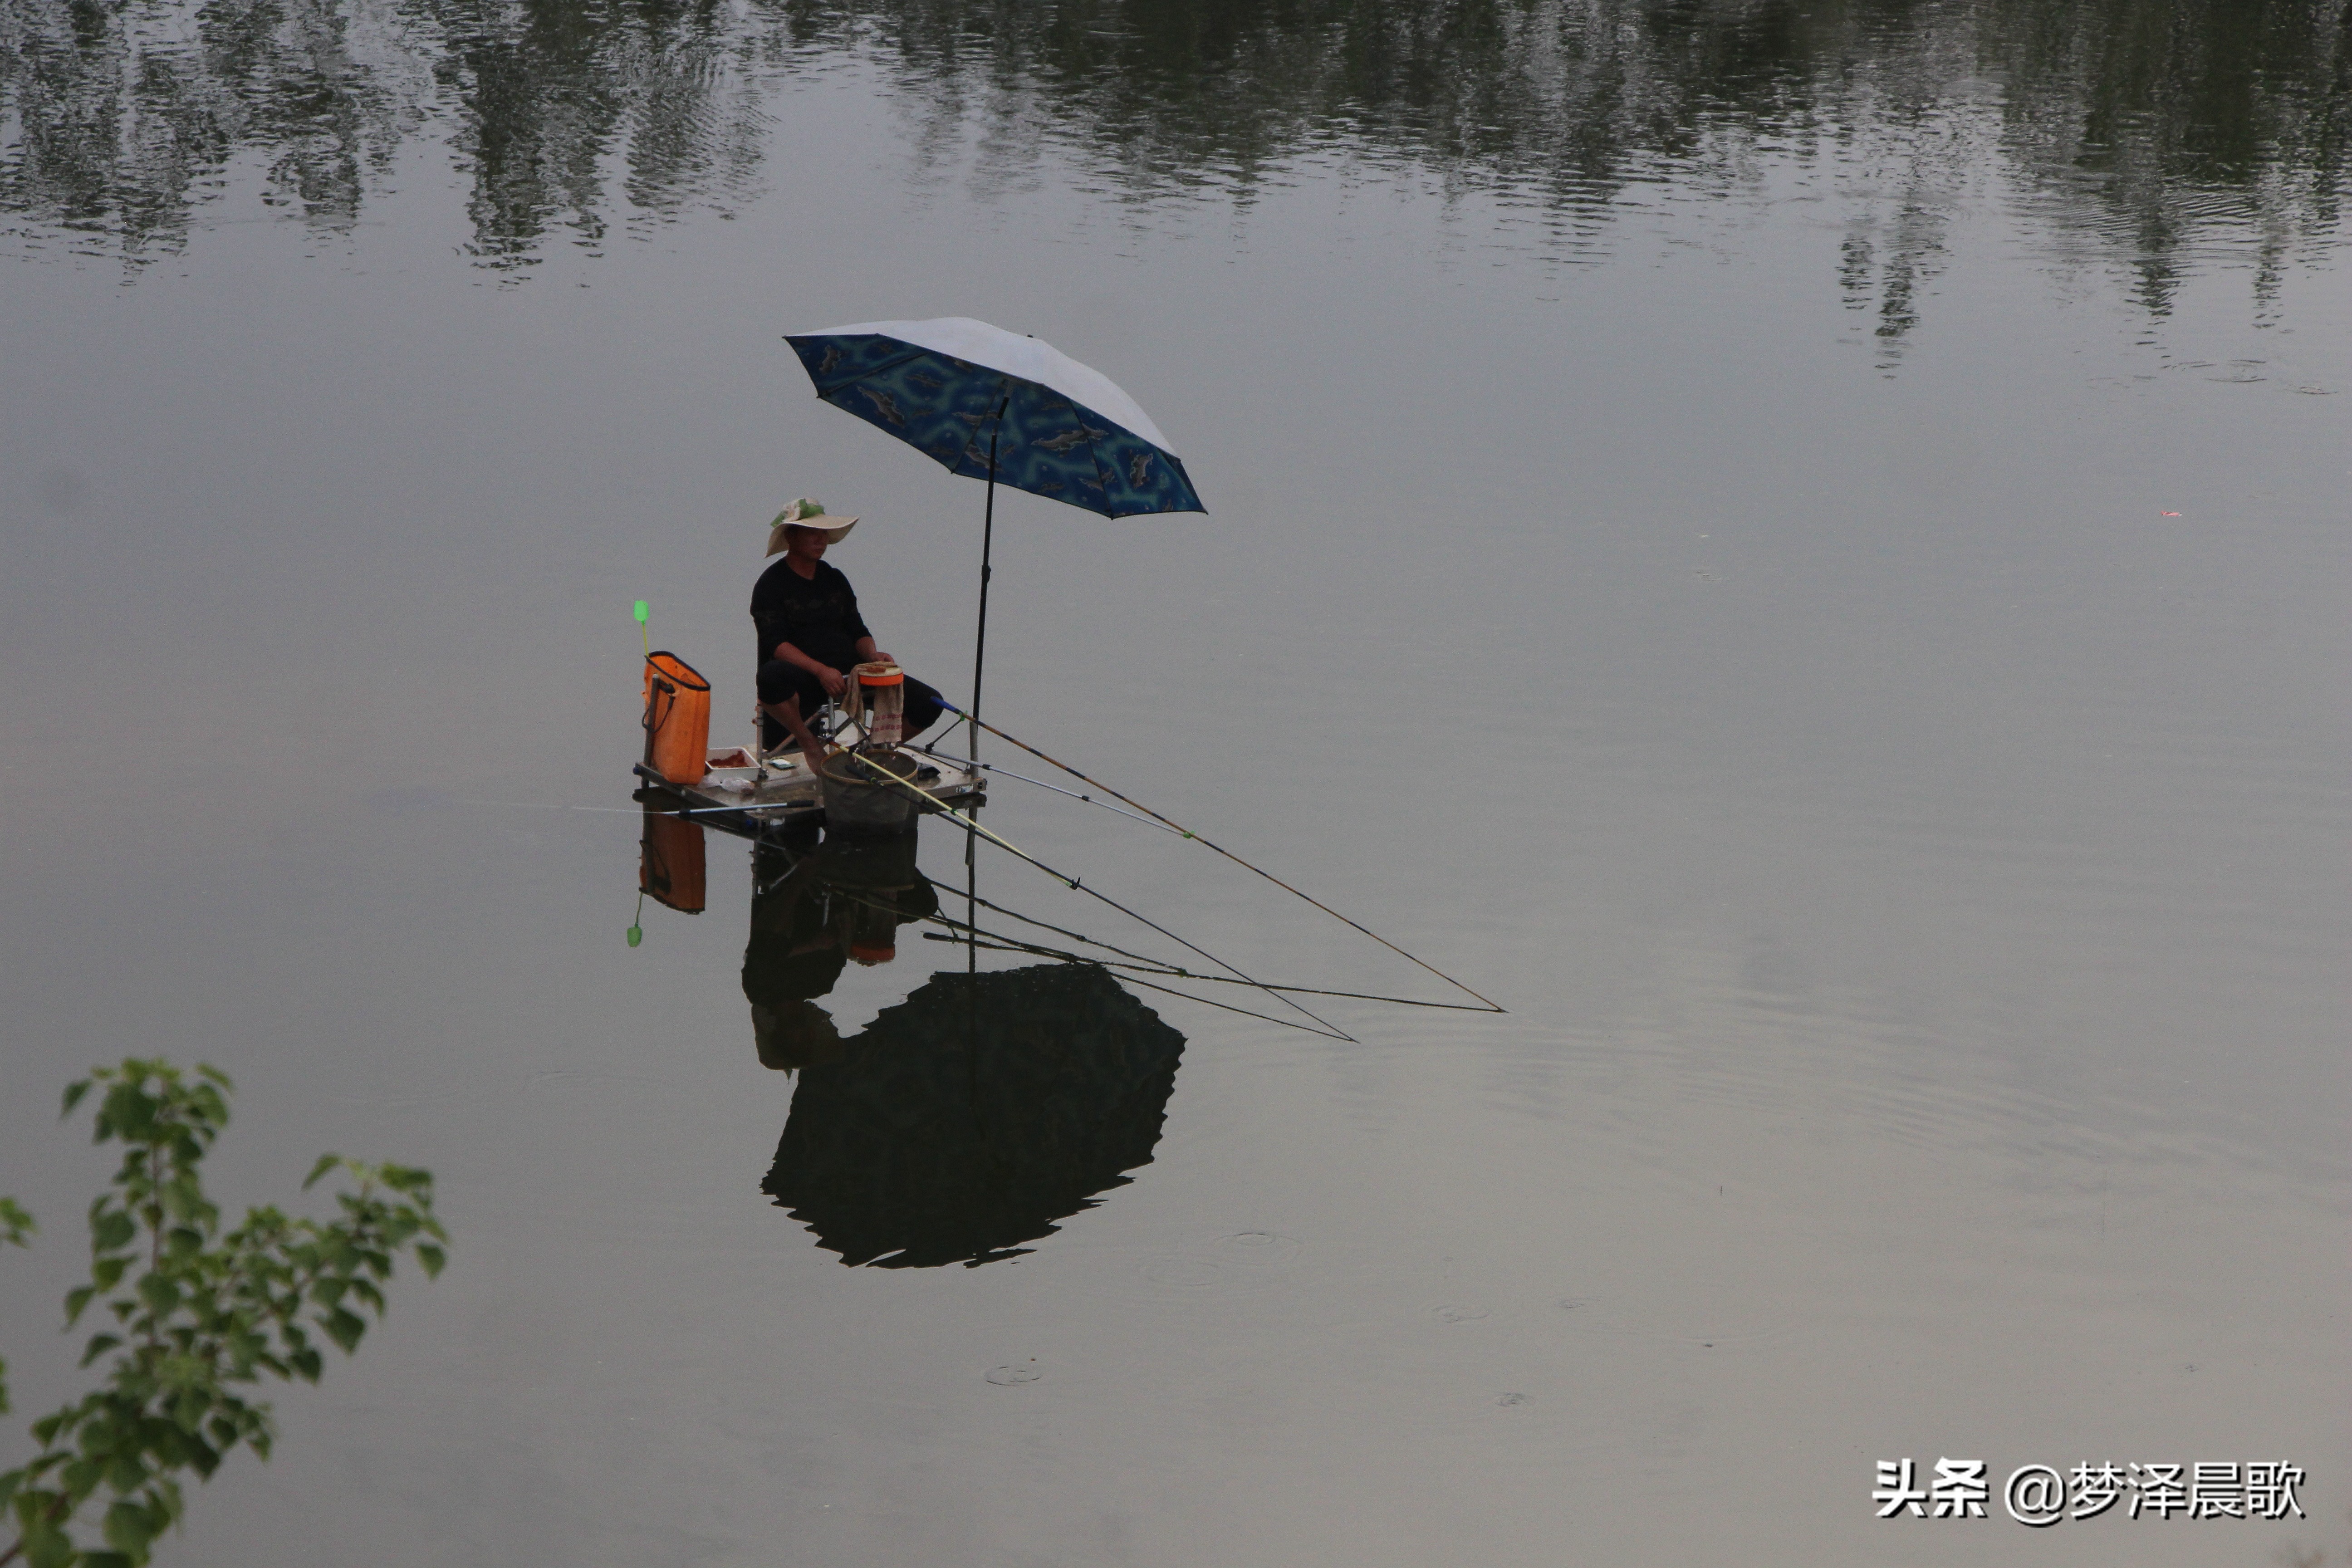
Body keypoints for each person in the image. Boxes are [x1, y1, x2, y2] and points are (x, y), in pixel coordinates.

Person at [751, 498, 947, 754]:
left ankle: (867, 754)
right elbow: (776, 643)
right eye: (812, 533)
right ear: (791, 536)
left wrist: (873, 656)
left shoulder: (834, 578)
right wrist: (821, 671)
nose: (820, 541)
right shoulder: (771, 584)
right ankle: (810, 746)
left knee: (929, 703)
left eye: (823, 534)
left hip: (850, 674)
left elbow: (857, 629)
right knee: (770, 677)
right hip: (805, 677)